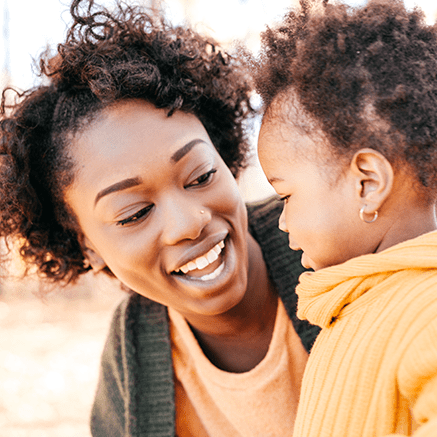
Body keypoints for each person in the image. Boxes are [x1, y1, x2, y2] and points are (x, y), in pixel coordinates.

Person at [0, 0, 319, 436]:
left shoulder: (337, 247)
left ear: (226, 160)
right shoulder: (130, 367)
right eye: (135, 214)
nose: (189, 223)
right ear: (87, 246)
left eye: (202, 175)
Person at [253, 0, 437, 436]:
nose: (280, 222)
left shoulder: (425, 310)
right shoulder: (359, 303)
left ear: (368, 183)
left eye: (286, 195)